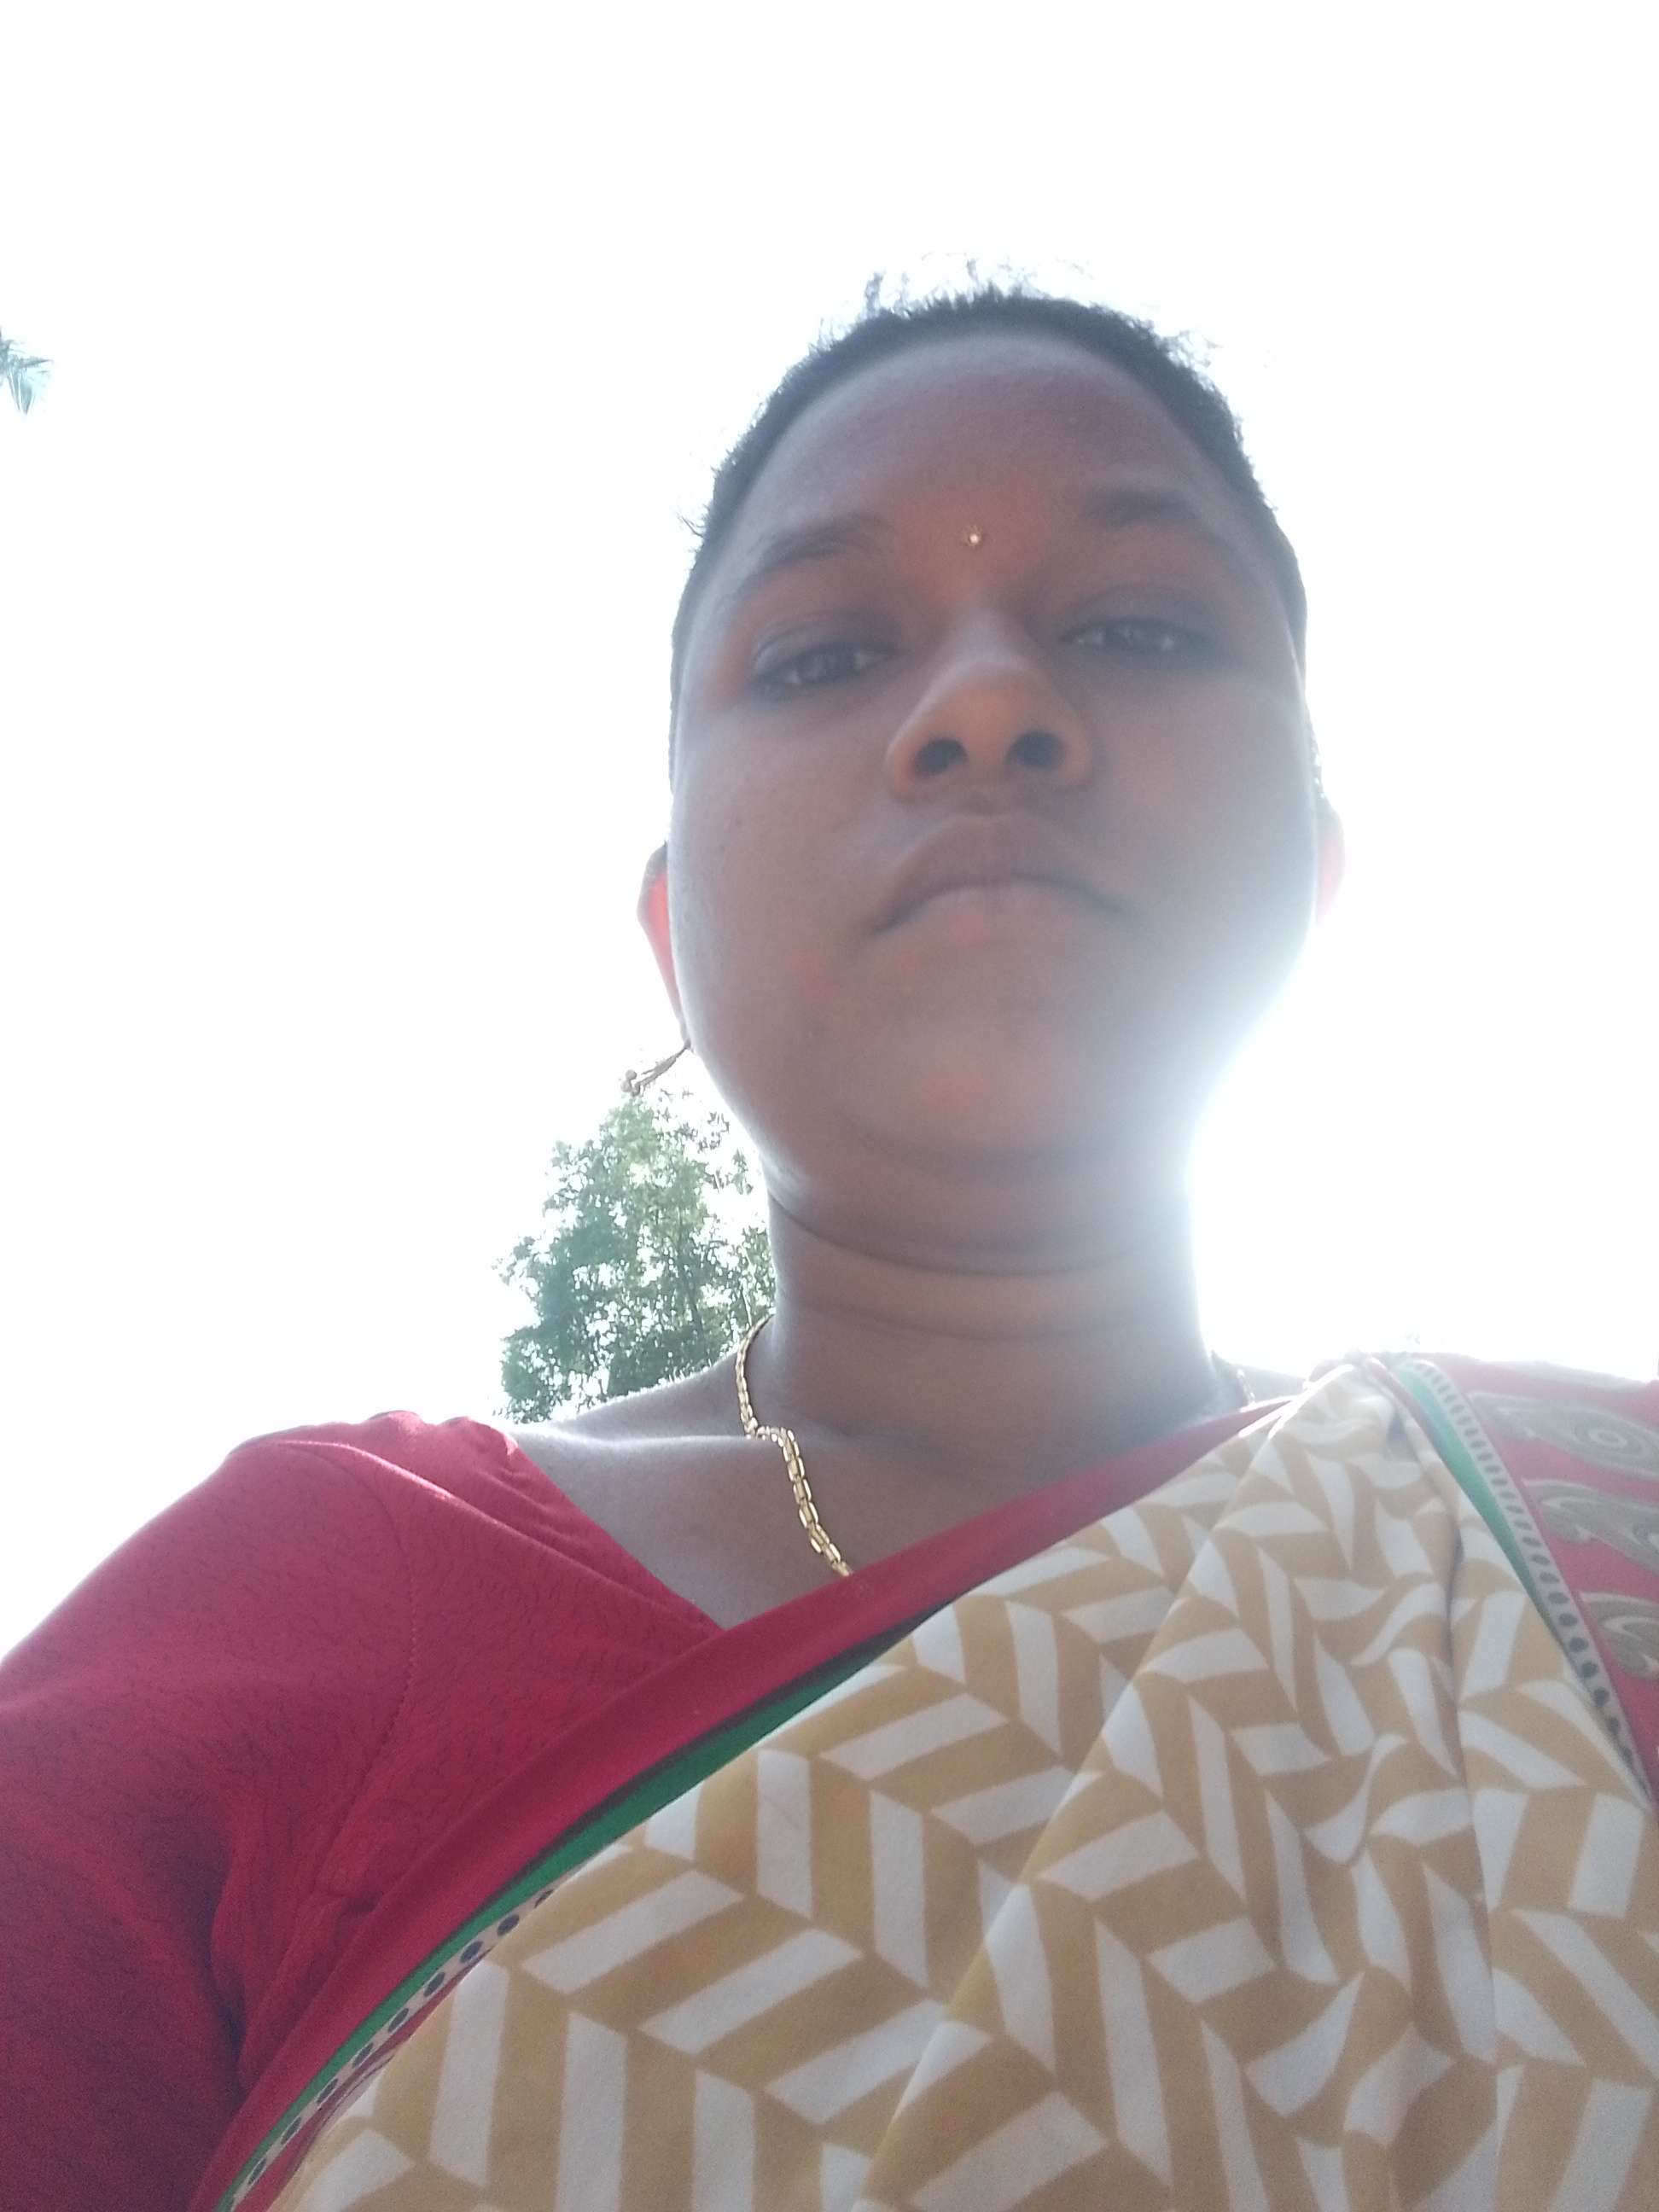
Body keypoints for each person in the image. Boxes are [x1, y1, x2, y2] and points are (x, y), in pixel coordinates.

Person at [3, 286, 1656, 2212]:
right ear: (670, 932)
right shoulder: (293, 1619)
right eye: (824, 655)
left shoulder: (1569, 1563)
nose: (987, 707)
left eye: (1137, 628)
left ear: (1316, 863)